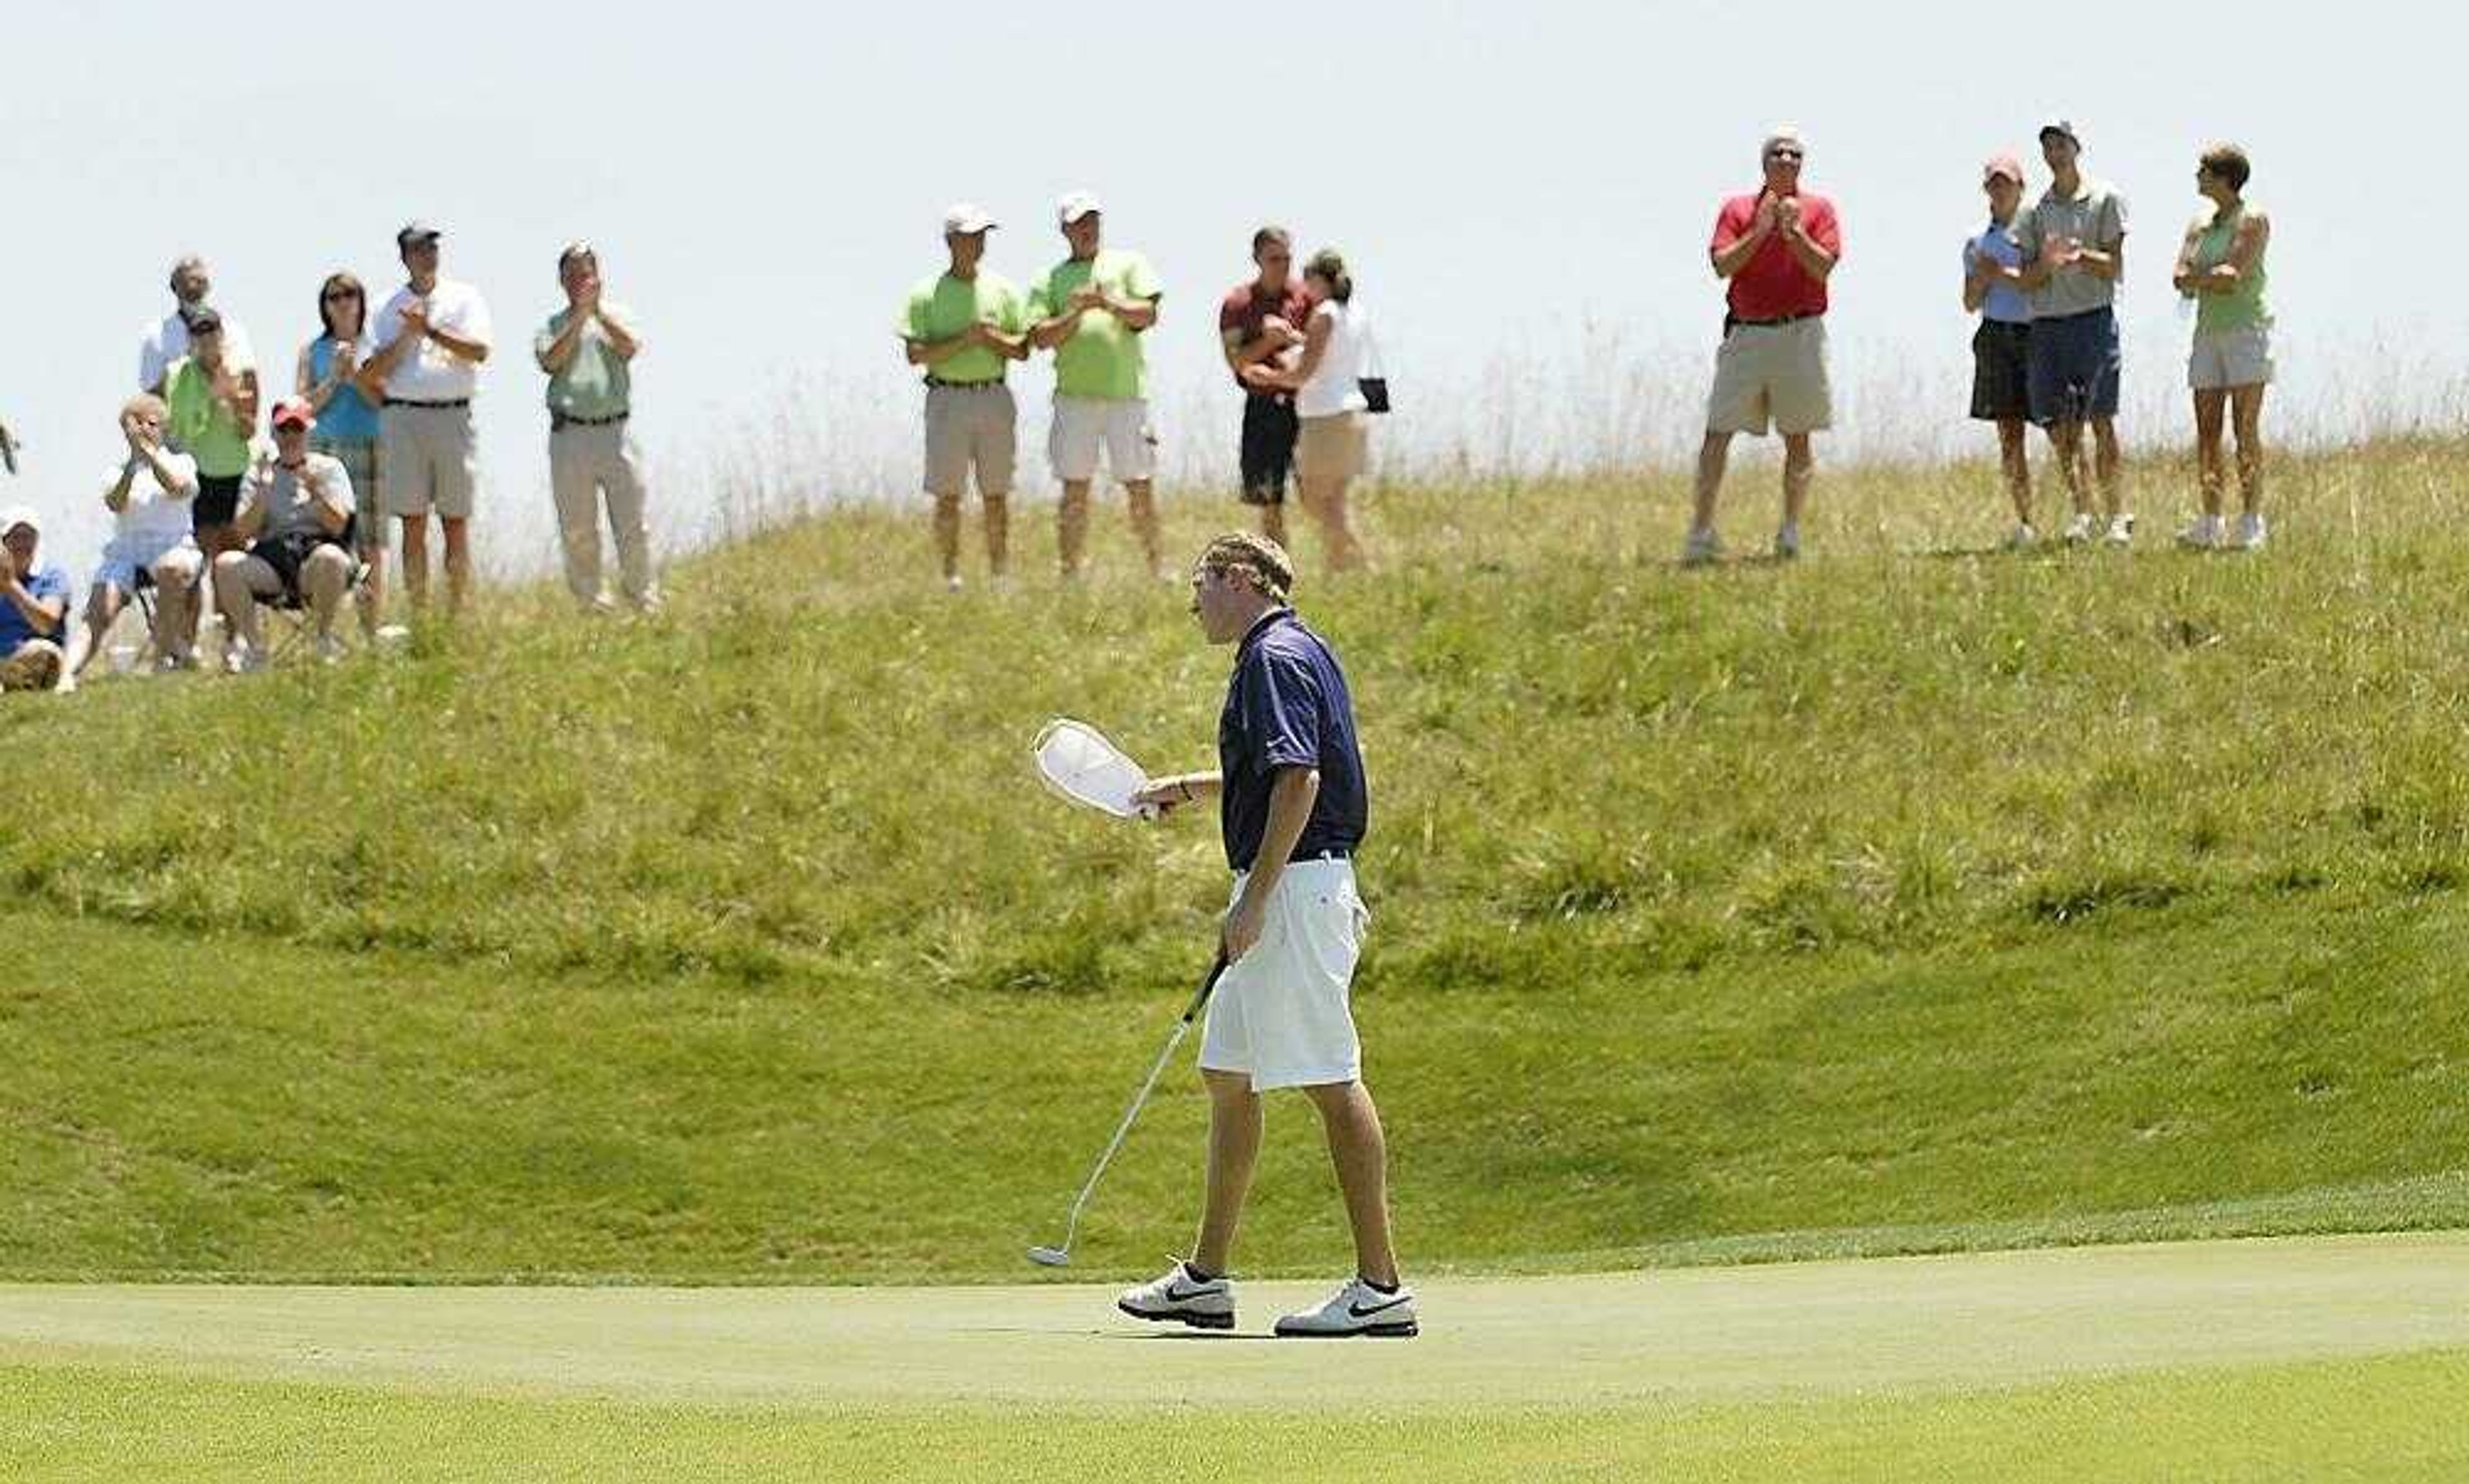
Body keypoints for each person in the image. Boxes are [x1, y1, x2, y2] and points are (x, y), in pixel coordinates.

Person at [1115, 532, 1415, 1340]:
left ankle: (1381, 1286)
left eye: (1201, 585)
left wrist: (1256, 900)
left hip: (1295, 888)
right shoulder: (1294, 648)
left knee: (1328, 1075)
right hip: (1290, 884)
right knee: (1229, 1073)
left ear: (1240, 579)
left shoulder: (1271, 658)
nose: (1193, 603)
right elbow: (1282, 768)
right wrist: (1188, 785)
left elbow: (1302, 780)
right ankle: (1206, 1280)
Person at [1685, 126, 1842, 565]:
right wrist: (1761, 232)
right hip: (1749, 332)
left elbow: (1823, 268)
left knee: (1798, 437)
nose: (1787, 161)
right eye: (1778, 154)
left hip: (1800, 333)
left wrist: (1794, 236)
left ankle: (1790, 531)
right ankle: (1701, 531)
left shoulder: (1819, 210)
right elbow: (1723, 265)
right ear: (1764, 162)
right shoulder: (1737, 209)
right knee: (1717, 433)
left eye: (1794, 155)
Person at [1027, 192, 1166, 580]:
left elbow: (1148, 313)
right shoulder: (1049, 279)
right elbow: (1040, 337)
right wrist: (1076, 311)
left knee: (1140, 485)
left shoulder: (1129, 264)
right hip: (1075, 399)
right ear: (1065, 230)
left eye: (1092, 221)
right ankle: (1070, 572)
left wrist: (1107, 302)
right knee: (1074, 489)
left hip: (1127, 397)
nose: (1087, 229)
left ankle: (1157, 567)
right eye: (1078, 223)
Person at [2005, 119, 2131, 547]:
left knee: (2101, 419)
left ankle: (2116, 515)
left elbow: (2115, 267)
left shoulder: (2105, 199)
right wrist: (2048, 263)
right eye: (2047, 146)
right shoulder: (2033, 212)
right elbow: (2025, 279)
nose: (2054, 153)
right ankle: (2082, 511)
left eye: (2060, 144)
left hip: (2092, 318)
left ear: (2076, 148)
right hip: (2048, 325)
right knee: (2060, 426)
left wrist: (2079, 256)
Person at [359, 221, 493, 615]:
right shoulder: (386, 306)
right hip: (404, 418)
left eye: (432, 248)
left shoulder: (465, 298)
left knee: (455, 520)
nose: (427, 255)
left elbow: (480, 351)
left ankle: (457, 613)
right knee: (413, 522)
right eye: (419, 249)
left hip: (453, 414)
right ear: (404, 257)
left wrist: (431, 330)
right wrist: (407, 335)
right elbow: (370, 372)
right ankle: (420, 615)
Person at [901, 204, 1029, 590]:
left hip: (992, 394)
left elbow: (1022, 348)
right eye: (970, 237)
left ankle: (999, 573)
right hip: (947, 398)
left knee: (996, 491)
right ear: (950, 242)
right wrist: (964, 340)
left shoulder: (1003, 290)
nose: (977, 244)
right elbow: (916, 354)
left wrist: (990, 339)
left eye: (982, 236)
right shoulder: (926, 293)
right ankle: (949, 574)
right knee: (948, 492)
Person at [537, 243, 660, 613]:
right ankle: (593, 604)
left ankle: (644, 598)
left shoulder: (618, 317)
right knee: (579, 526)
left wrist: (599, 313)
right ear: (562, 281)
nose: (580, 282)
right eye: (572, 275)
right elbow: (550, 360)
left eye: (586, 274)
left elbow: (629, 347)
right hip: (571, 434)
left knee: (632, 521)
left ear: (598, 276)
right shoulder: (553, 325)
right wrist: (578, 320)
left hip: (616, 431)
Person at [1236, 249, 1371, 571]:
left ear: (1317, 280)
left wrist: (1267, 376)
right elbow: (1326, 353)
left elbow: (1304, 373)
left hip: (1326, 417)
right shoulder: (1351, 312)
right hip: (1350, 412)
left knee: (1316, 499)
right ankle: (1340, 564)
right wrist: (1293, 338)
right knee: (1335, 499)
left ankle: (1358, 561)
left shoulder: (1323, 313)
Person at [2173, 144, 2273, 552]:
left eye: (2205, 170)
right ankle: (2211, 520)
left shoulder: (2253, 220)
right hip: (2208, 332)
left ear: (2225, 177)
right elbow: (2180, 274)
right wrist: (2203, 276)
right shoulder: (2200, 224)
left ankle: (2251, 520)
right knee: (2208, 431)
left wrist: (2201, 276)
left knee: (2244, 427)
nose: (2198, 176)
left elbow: (2232, 274)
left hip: (2245, 330)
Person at [213, 399, 356, 671]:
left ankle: (322, 639)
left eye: (296, 429)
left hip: (315, 558)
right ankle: (256, 649)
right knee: (226, 565)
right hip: (273, 559)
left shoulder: (329, 469)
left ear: (308, 433)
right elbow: (242, 533)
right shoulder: (258, 473)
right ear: (274, 434)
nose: (290, 437)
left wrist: (317, 494)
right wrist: (263, 494)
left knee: (331, 557)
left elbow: (339, 526)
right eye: (283, 430)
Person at [68, 395, 204, 680]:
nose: (144, 430)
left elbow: (178, 487)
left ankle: (162, 663)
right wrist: (134, 463)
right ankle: (68, 673)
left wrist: (151, 455)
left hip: (174, 546)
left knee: (171, 569)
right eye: (136, 425)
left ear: (164, 428)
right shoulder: (116, 472)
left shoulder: (183, 462)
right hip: (127, 552)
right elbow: (116, 503)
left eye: (151, 424)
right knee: (99, 604)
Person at [297, 272, 388, 633]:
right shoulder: (312, 351)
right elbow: (302, 406)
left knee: (371, 541)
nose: (343, 302)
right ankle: (324, 629)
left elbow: (383, 400)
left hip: (369, 446)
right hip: (325, 450)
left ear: (361, 301)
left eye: (350, 295)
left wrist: (356, 375)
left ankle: (372, 628)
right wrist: (335, 378)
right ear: (325, 306)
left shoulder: (376, 345)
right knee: (324, 536)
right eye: (334, 297)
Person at [1220, 227, 1312, 547]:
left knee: (1316, 491)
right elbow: (1235, 361)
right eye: (1274, 259)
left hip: (1306, 406)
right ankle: (1280, 567)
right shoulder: (1238, 304)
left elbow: (1326, 346)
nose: (1282, 265)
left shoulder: (1306, 297)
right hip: (1262, 408)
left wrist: (1292, 338)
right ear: (1257, 259)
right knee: (1269, 496)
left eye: (1286, 258)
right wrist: (1267, 342)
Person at [1964, 155, 2038, 547]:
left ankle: (2081, 511)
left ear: (2020, 187)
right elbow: (1970, 302)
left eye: (2006, 182)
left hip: (2036, 333)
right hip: (1996, 333)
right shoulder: (1977, 240)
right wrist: (1980, 278)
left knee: (2062, 428)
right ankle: (2025, 520)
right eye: (1993, 183)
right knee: (2010, 434)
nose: (1999, 189)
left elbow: (2039, 282)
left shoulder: (2036, 232)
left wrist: (2002, 274)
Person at [162, 307, 260, 561]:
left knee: (236, 550)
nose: (206, 338)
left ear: (222, 334)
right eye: (198, 332)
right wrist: (212, 397)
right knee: (205, 551)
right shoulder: (178, 374)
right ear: (191, 339)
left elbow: (248, 430)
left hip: (239, 470)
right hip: (199, 473)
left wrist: (232, 402)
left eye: (211, 330)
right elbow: (182, 430)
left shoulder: (243, 371)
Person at [139, 254, 255, 395]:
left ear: (208, 286)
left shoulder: (233, 332)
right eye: (185, 280)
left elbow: (248, 381)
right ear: (174, 287)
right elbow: (150, 392)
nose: (193, 286)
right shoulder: (156, 336)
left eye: (199, 281)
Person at [0, 506, 71, 694]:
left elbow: (46, 625)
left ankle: (12, 680)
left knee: (41, 651)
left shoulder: (52, 576)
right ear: (4, 543)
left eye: (28, 537)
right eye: (16, 537)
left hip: (36, 654)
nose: (22, 544)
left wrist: (10, 586)